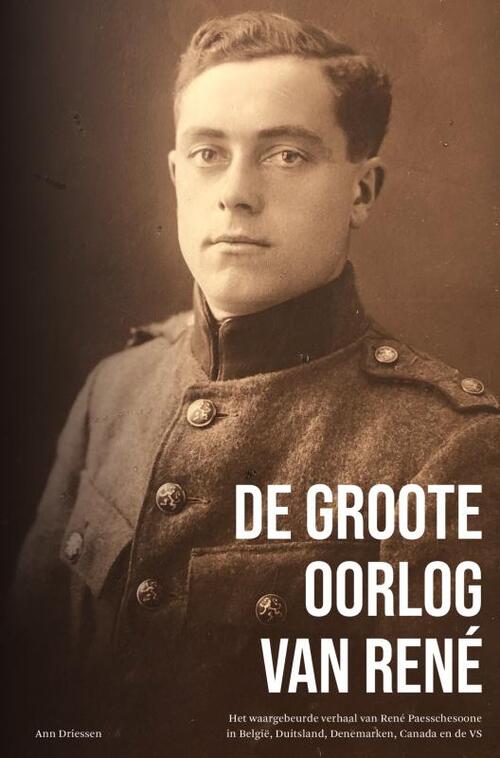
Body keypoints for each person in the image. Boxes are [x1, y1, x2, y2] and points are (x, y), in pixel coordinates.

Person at [10, 11, 499, 758]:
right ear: (177, 176)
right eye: (208, 153)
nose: (235, 193)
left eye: (286, 155)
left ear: (362, 191)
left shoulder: (451, 449)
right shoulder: (115, 390)